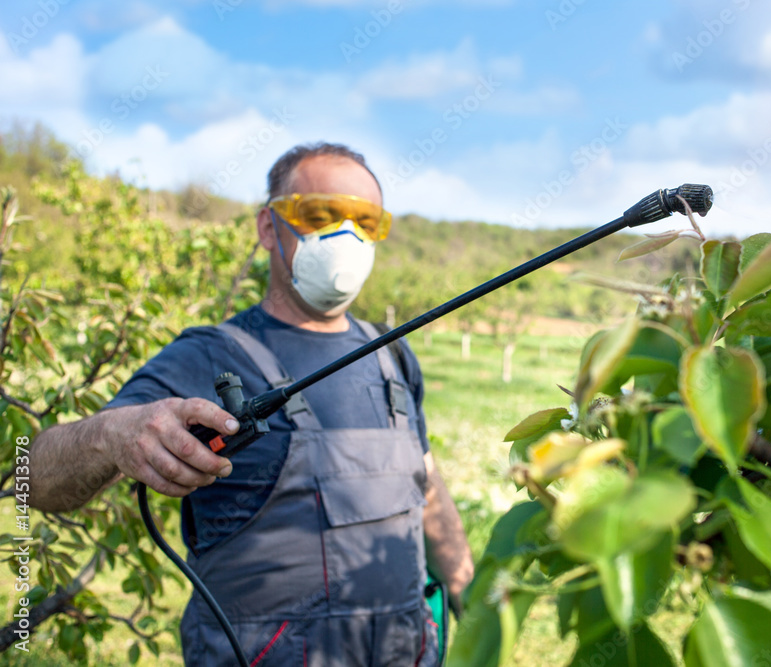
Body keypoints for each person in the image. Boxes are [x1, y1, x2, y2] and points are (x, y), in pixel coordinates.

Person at [28, 143, 474, 666]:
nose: (347, 237)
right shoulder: (209, 354)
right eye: (321, 215)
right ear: (268, 227)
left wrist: (471, 594)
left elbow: (426, 486)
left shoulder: (391, 355)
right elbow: (33, 478)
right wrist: (113, 434)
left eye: (365, 222)